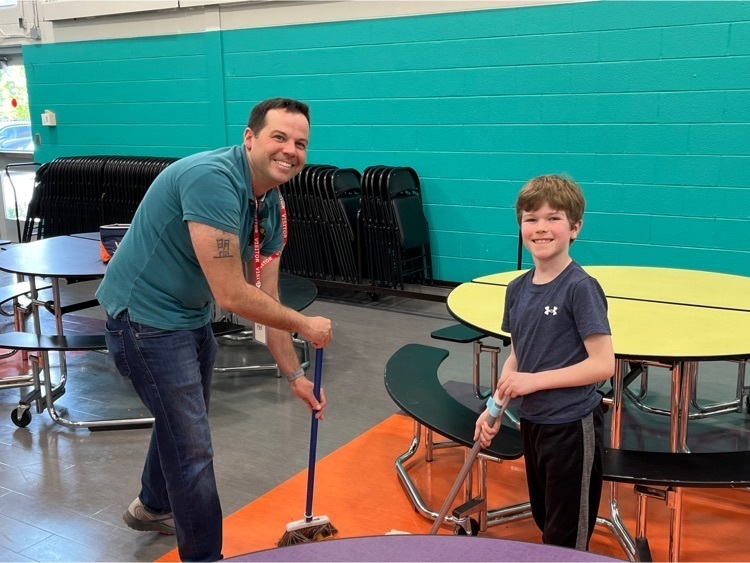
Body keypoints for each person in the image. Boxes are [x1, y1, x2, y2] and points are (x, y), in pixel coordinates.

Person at [96, 98, 333, 562]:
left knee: (182, 423)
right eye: (279, 137)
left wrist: (295, 376)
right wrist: (306, 325)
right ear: (250, 139)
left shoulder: (271, 204)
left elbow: (267, 297)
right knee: (193, 452)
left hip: (187, 317)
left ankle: (152, 505)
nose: (290, 151)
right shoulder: (213, 181)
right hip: (143, 321)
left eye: (300, 143)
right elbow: (232, 294)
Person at [474, 174, 614, 550]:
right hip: (533, 422)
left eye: (553, 218)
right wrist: (494, 408)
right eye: (530, 218)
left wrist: (534, 383)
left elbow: (603, 365)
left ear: (575, 228)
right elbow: (519, 355)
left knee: (566, 535)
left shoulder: (580, 288)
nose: (540, 228)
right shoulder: (517, 289)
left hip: (571, 425)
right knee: (544, 518)